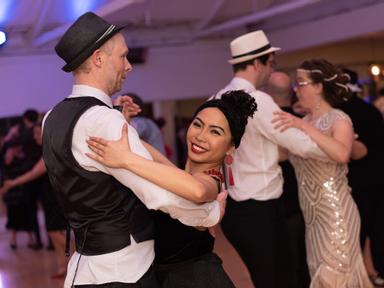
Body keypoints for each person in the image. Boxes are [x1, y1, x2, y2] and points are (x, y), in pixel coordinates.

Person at [42, 12, 223, 288]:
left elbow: (87, 177)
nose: (129, 66)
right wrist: (209, 213)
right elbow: (157, 194)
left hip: (85, 265)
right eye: (123, 57)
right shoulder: (103, 120)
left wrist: (117, 118)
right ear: (99, 58)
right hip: (124, 269)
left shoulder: (52, 117)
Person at [85, 90, 257, 288]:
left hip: (196, 280)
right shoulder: (179, 175)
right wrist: (121, 121)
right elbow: (149, 154)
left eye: (215, 132)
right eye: (198, 124)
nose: (201, 136)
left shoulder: (211, 181)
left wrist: (126, 159)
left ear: (230, 147)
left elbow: (198, 191)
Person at [213, 30, 329, 288]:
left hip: (235, 211)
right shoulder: (257, 100)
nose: (270, 68)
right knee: (280, 279)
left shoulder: (216, 99)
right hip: (261, 210)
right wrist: (332, 143)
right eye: (271, 62)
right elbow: (302, 145)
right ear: (257, 63)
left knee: (266, 279)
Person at [272, 59, 372, 287]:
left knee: (333, 279)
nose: (297, 89)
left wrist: (302, 126)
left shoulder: (339, 119)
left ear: (318, 86)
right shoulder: (303, 121)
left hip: (337, 214)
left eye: (301, 83)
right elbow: (283, 156)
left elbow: (341, 154)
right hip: (312, 217)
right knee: (320, 276)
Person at [0, 124, 69, 278]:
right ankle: (63, 265)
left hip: (55, 197)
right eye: (35, 134)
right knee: (53, 232)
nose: (35, 136)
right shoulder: (43, 151)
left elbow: (33, 174)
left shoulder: (50, 152)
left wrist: (12, 183)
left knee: (53, 231)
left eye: (38, 133)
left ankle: (77, 256)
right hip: (50, 197)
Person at [264, 71, 310, 288]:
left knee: (283, 259)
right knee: (302, 257)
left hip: (276, 199)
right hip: (306, 196)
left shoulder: (265, 122)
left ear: (267, 94)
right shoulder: (303, 120)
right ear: (291, 92)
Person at [340, 68, 384, 286]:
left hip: (357, 184)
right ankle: (379, 274)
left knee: (356, 234)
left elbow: (359, 151)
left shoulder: (341, 114)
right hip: (379, 181)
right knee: (379, 232)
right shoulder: (370, 110)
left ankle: (356, 277)